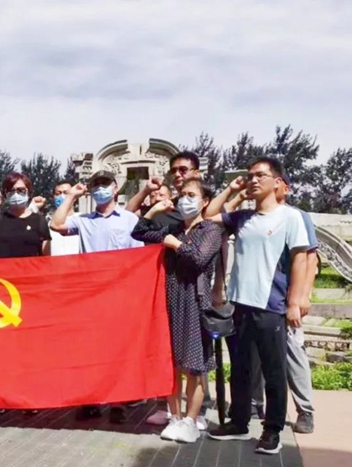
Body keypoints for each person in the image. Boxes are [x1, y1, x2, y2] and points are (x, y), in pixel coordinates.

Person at [204, 157, 309, 455]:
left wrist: (294, 302)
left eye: (260, 175)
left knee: (273, 372)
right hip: (240, 304)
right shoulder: (243, 218)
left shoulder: (290, 217)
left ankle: (272, 431)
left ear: (277, 182)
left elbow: (301, 259)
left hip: (271, 305)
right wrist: (232, 189)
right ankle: (238, 423)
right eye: (249, 176)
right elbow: (208, 215)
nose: (253, 180)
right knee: (240, 368)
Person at [132, 178, 221, 443]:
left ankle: (191, 420)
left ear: (205, 202)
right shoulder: (173, 228)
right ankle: (175, 416)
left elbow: (199, 259)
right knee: (170, 363)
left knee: (194, 366)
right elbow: (139, 232)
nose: (185, 199)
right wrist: (154, 210)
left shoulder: (210, 230)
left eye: (191, 195)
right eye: (182, 194)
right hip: (169, 300)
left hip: (195, 301)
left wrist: (176, 245)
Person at [50, 170, 142, 423]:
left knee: (119, 350)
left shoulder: (129, 220)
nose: (100, 189)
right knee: (91, 350)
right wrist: (72, 195)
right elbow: (56, 224)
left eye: (105, 184)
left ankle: (119, 402)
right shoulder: (82, 220)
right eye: (96, 185)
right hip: (90, 294)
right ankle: (91, 400)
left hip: (120, 294)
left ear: (115, 188)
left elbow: (138, 257)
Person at [47, 180, 80, 256]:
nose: (62, 196)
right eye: (58, 194)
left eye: (66, 193)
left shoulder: (81, 220)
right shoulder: (49, 223)